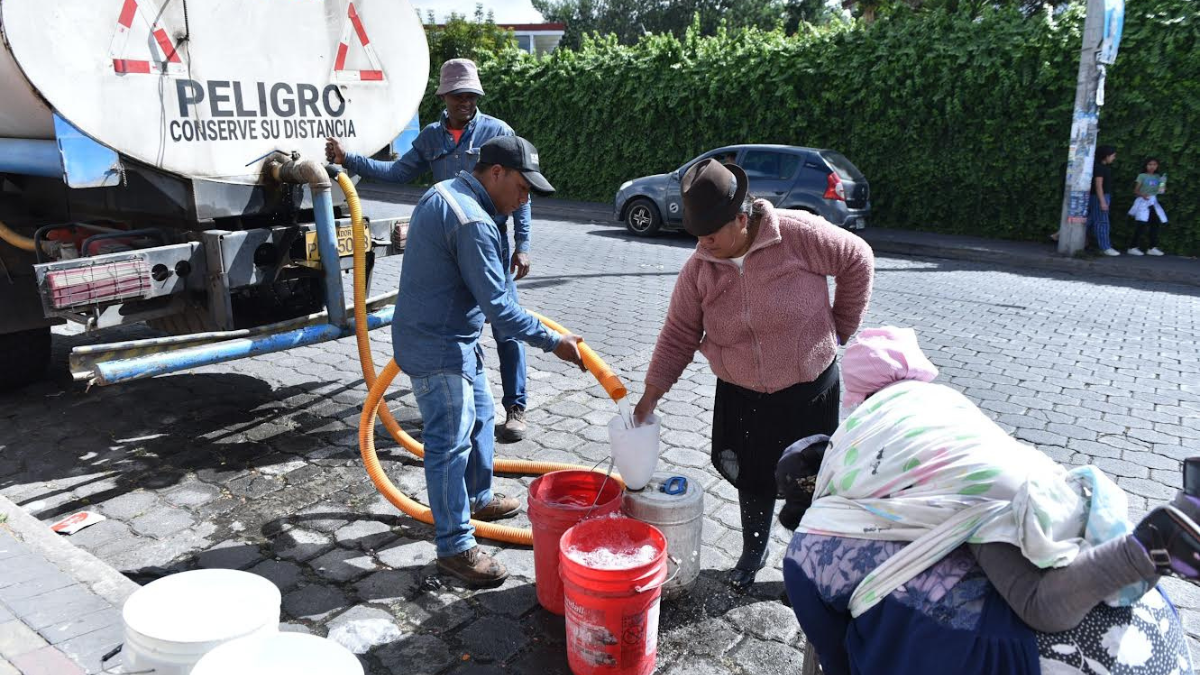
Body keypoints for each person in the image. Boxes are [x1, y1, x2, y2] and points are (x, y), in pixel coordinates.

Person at [778, 327, 1198, 675]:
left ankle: (1144, 550)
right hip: (1036, 488)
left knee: (1037, 604)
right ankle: (1165, 531)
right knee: (1066, 555)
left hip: (979, 524)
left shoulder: (830, 506)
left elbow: (835, 657)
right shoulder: (932, 402)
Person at [633, 158, 874, 591]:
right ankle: (753, 551)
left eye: (710, 235)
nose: (702, 244)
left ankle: (805, 567)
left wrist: (840, 328)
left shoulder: (797, 234)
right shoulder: (700, 268)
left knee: (810, 483)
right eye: (697, 235)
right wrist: (651, 395)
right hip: (742, 393)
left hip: (808, 389)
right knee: (752, 475)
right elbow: (678, 333)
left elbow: (858, 259)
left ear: (741, 220)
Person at [394, 135, 586, 587]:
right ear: (496, 173)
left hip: (452, 336)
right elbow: (500, 309)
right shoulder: (473, 221)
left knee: (481, 417)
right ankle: (455, 547)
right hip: (439, 347)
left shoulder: (447, 192)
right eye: (522, 188)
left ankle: (478, 498)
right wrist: (554, 341)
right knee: (449, 444)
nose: (524, 201)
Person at [327, 58, 536, 442]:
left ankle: (515, 407)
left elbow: (521, 192)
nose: (465, 102)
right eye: (458, 96)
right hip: (449, 252)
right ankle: (457, 404)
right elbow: (398, 172)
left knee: (506, 326)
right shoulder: (430, 138)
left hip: (489, 244)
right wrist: (349, 160)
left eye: (471, 96)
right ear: (443, 96)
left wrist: (522, 245)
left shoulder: (497, 132)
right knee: (454, 327)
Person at [1126, 157, 1169, 256]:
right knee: (1141, 224)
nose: (1152, 167)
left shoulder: (1158, 177)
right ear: (1146, 165)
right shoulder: (1142, 176)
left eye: (1154, 164)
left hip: (1153, 203)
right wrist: (1143, 195)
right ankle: (1132, 247)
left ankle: (1152, 247)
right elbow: (1136, 190)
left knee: (1155, 224)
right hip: (1143, 202)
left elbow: (1161, 191)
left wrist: (1163, 183)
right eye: (1150, 164)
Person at [1087, 145, 1121, 256]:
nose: (1114, 158)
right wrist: (1102, 201)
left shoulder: (1101, 167)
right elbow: (1098, 186)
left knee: (1089, 220)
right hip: (1100, 197)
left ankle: (1060, 234)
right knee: (1102, 222)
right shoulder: (1100, 168)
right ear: (1106, 156)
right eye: (1113, 156)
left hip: (1099, 196)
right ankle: (1105, 247)